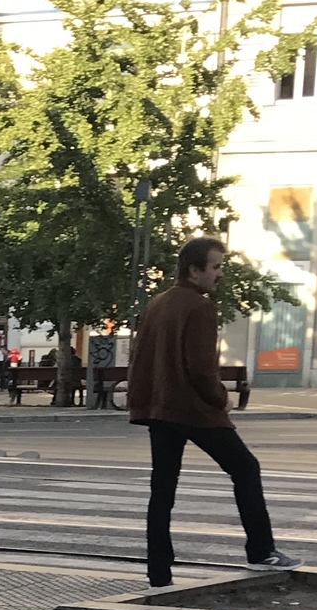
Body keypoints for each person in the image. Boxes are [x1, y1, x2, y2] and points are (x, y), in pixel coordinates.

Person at [127, 236, 298, 588]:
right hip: (194, 410)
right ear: (195, 270)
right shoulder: (199, 307)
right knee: (245, 468)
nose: (220, 274)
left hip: (161, 410)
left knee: (163, 490)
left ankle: (159, 572)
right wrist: (220, 398)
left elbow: (141, 358)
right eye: (216, 266)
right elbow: (201, 368)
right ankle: (261, 550)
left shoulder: (158, 304)